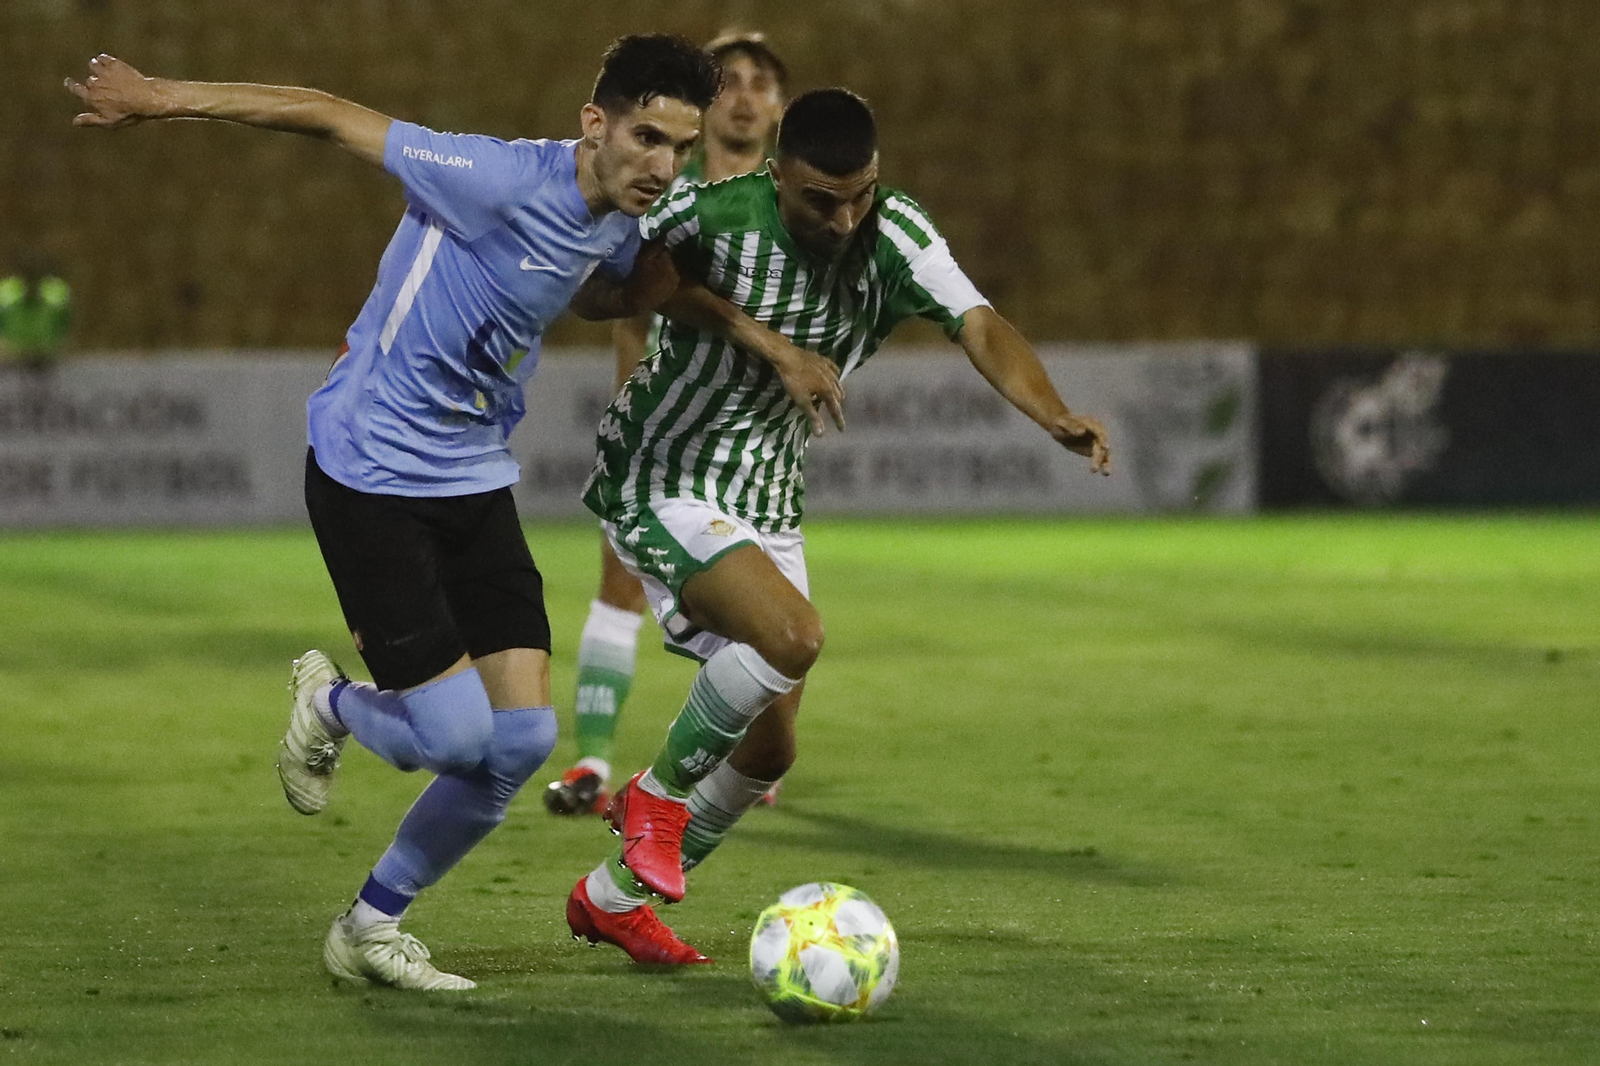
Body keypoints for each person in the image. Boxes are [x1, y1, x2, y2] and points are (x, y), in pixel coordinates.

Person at [66, 37, 726, 991]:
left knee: (523, 744)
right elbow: (329, 112)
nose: (663, 165)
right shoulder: (492, 175)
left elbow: (590, 296)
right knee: (458, 741)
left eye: (681, 147)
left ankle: (369, 927)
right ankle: (329, 701)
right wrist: (159, 96)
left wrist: (743, 327)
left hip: (471, 482)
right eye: (647, 137)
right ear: (596, 125)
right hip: (369, 472)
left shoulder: (625, 220)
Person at [564, 88, 1113, 965]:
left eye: (859, 193)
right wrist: (772, 345)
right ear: (778, 175)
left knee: (771, 748)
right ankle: (654, 801)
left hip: (769, 496)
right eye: (822, 199)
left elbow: (980, 323)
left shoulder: (895, 233)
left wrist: (1050, 412)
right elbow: (608, 296)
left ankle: (614, 899)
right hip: (665, 472)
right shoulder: (714, 212)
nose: (844, 216)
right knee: (794, 636)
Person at [547, 30, 790, 818]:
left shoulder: (797, 213)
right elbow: (626, 312)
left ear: (780, 107)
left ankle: (746, 759)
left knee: (770, 614)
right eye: (733, 81)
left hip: (754, 448)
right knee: (619, 579)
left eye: (763, 81)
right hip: (665, 439)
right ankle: (590, 764)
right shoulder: (665, 199)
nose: (746, 96)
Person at [0, 259, 72, 372]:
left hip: (46, 359)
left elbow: (65, 324)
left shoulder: (56, 297)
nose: (31, 283)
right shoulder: (6, 295)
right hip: (11, 359)